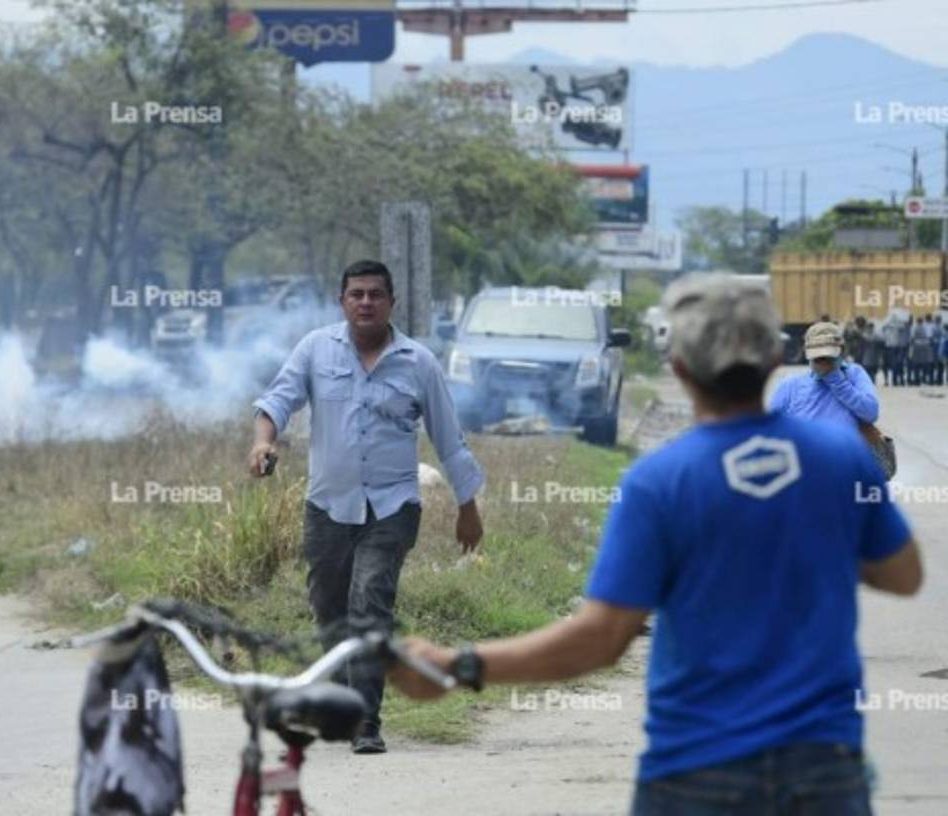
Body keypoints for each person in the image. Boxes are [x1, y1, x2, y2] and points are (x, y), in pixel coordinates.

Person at [388, 275, 922, 815]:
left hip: (694, 768)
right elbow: (904, 575)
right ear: (772, 360)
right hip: (822, 770)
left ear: (679, 367)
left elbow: (600, 639)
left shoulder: (659, 482)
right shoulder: (839, 459)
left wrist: (459, 665)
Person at [247, 259, 485, 754]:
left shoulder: (419, 362)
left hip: (392, 507)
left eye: (376, 294)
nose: (366, 302)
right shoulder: (315, 349)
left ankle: (365, 721)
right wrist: (263, 443)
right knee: (330, 610)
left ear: (391, 302)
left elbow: (450, 439)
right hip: (327, 506)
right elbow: (277, 400)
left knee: (370, 602)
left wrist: (468, 506)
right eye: (356, 294)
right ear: (342, 301)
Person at [769, 321, 879, 431]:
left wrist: (837, 381)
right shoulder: (791, 385)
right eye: (817, 357)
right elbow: (770, 427)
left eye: (828, 357)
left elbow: (871, 413)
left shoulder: (854, 374)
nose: (823, 362)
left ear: (842, 351)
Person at [909, 317, 932, 387]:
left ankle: (917, 380)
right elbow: (929, 337)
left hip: (917, 347)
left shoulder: (914, 328)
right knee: (925, 364)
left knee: (916, 365)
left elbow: (912, 338)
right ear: (922, 321)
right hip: (925, 346)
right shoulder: (926, 328)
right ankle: (924, 379)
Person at [860, 321, 883, 386]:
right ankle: (872, 382)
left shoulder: (864, 336)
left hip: (867, 358)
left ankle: (870, 383)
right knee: (872, 372)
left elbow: (861, 348)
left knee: (869, 372)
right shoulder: (876, 336)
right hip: (873, 357)